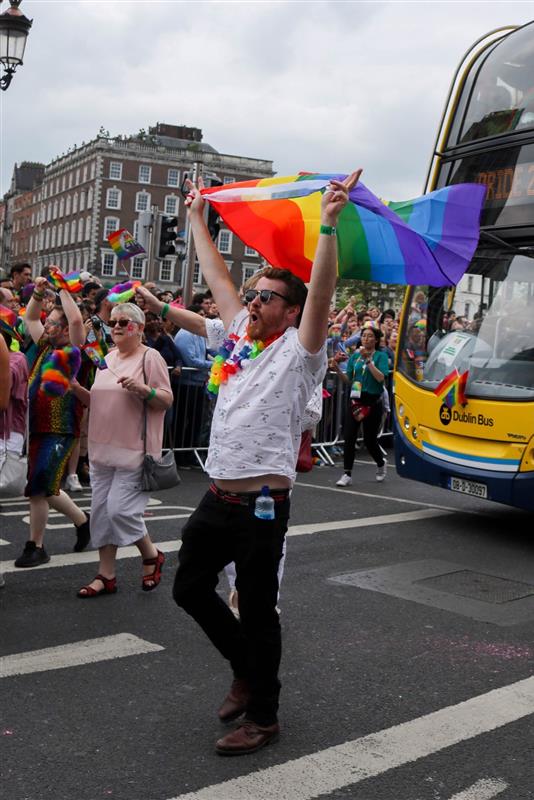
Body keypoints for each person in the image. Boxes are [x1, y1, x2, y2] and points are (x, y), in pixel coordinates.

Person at [168, 170, 360, 756]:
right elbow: (216, 275)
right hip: (217, 496)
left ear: (292, 311)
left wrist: (328, 225)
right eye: (252, 295)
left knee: (256, 610)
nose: (252, 302)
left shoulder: (301, 353)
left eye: (266, 297)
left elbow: (321, 293)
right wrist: (197, 217)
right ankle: (245, 669)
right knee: (189, 587)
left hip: (260, 506)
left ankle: (264, 716)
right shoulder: (237, 338)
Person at [72, 302, 173, 598]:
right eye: (113, 322)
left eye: (123, 322)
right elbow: (100, 402)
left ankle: (151, 554)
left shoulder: (150, 357)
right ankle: (106, 575)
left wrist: (144, 390)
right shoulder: (107, 358)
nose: (116, 326)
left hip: (135, 450)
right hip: (101, 449)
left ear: (139, 329)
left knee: (120, 511)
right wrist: (76, 388)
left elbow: (166, 399)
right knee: (101, 514)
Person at [14, 276, 91, 568]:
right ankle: (82, 521)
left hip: (60, 428)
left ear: (65, 328)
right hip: (35, 425)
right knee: (43, 485)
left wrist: (62, 288)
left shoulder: (75, 349)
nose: (47, 326)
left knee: (38, 486)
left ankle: (36, 546)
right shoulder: (45, 344)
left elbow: (76, 320)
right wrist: (38, 292)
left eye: (53, 322)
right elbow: (31, 317)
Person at [331, 325, 389, 485]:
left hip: (373, 401)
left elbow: (381, 378)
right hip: (356, 401)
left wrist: (368, 361)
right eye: (363, 336)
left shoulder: (381, 356)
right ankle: (347, 474)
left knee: (370, 440)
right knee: (349, 436)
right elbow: (349, 380)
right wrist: (337, 370)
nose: (366, 339)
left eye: (370, 336)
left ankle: (381, 463)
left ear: (376, 340)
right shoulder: (355, 357)